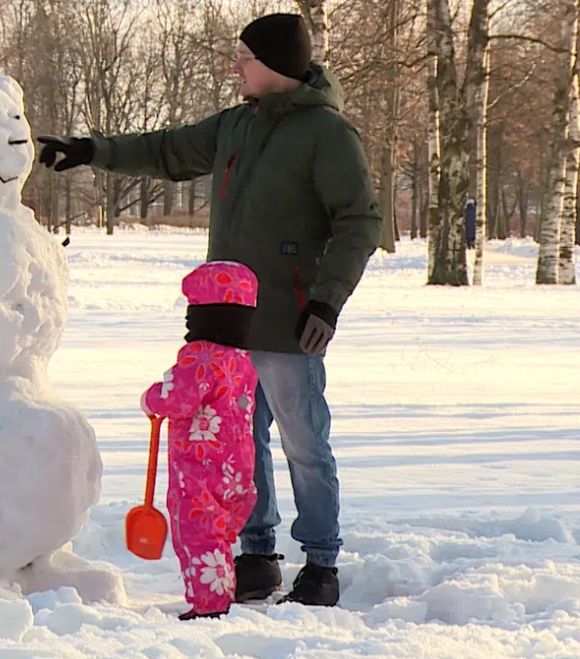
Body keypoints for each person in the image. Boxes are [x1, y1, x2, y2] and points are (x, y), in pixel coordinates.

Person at [38, 13, 382, 606]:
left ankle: (320, 561)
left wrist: (326, 300)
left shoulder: (327, 134)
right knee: (239, 449)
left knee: (304, 445)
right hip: (227, 325)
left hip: (291, 320)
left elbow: (360, 221)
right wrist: (92, 150)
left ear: (274, 65)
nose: (236, 67)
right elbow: (165, 149)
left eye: (245, 57)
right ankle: (257, 554)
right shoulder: (234, 126)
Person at [139, 261, 259, 621]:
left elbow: (179, 399)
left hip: (198, 465)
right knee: (219, 532)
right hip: (237, 466)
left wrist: (151, 398)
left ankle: (210, 604)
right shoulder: (242, 358)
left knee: (197, 533)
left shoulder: (200, 357)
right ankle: (221, 591)